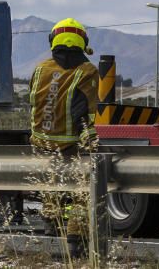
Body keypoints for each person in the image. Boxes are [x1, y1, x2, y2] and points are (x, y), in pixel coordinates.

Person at [29, 17, 99, 257]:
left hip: (41, 142)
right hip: (70, 144)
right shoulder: (87, 70)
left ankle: (50, 221)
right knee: (82, 191)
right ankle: (75, 240)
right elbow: (86, 111)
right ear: (82, 42)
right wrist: (91, 140)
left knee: (52, 183)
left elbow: (34, 104)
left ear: (53, 40)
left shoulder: (40, 69)